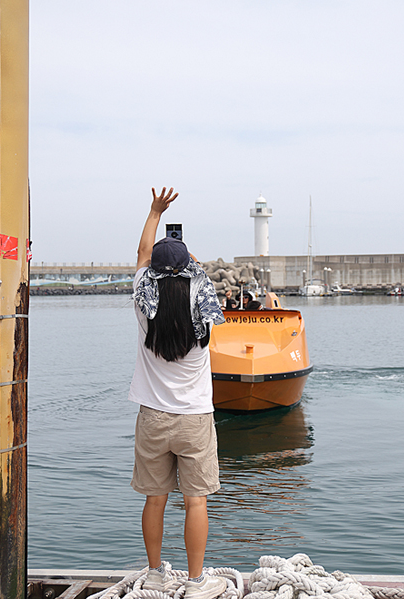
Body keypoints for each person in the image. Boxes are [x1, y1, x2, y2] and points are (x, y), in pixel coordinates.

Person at [129, 187, 227, 599]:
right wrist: (194, 266)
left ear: (153, 272)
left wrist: (154, 212)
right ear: (190, 270)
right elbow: (199, 284)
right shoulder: (202, 306)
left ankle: (154, 575)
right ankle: (196, 581)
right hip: (194, 419)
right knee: (196, 502)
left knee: (155, 499)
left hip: (153, 417)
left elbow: (141, 257)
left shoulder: (142, 304)